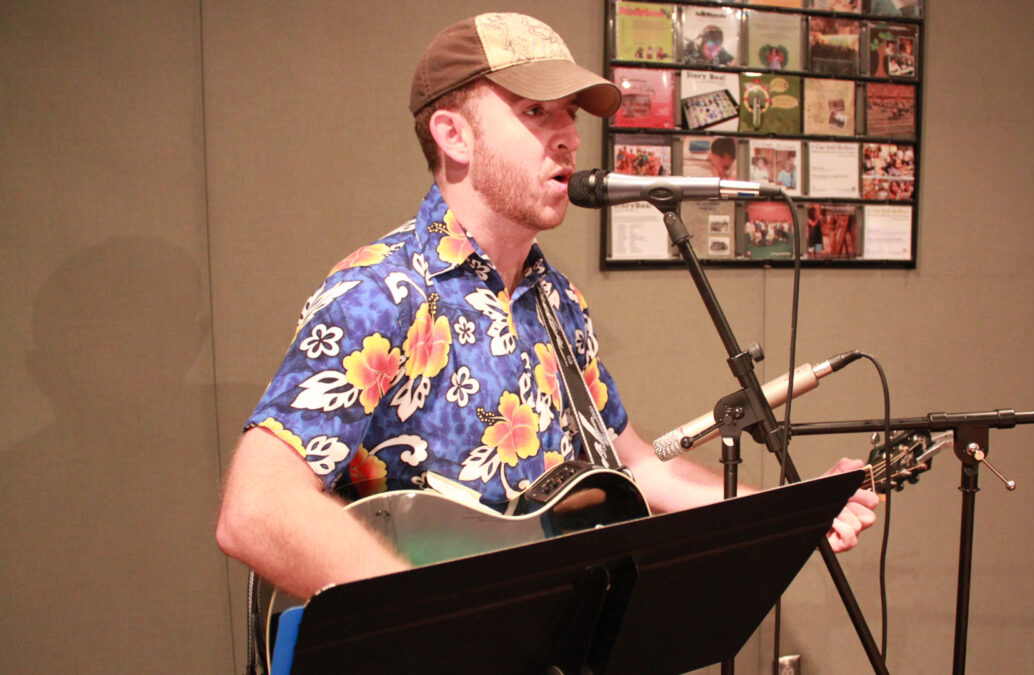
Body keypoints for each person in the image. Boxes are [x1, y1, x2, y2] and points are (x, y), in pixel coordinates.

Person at [216, 12, 877, 604]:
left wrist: (792, 512)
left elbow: (638, 469)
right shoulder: (382, 290)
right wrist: (444, 620)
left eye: (571, 115)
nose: (567, 137)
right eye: (536, 111)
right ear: (453, 134)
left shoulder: (556, 302)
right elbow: (257, 508)